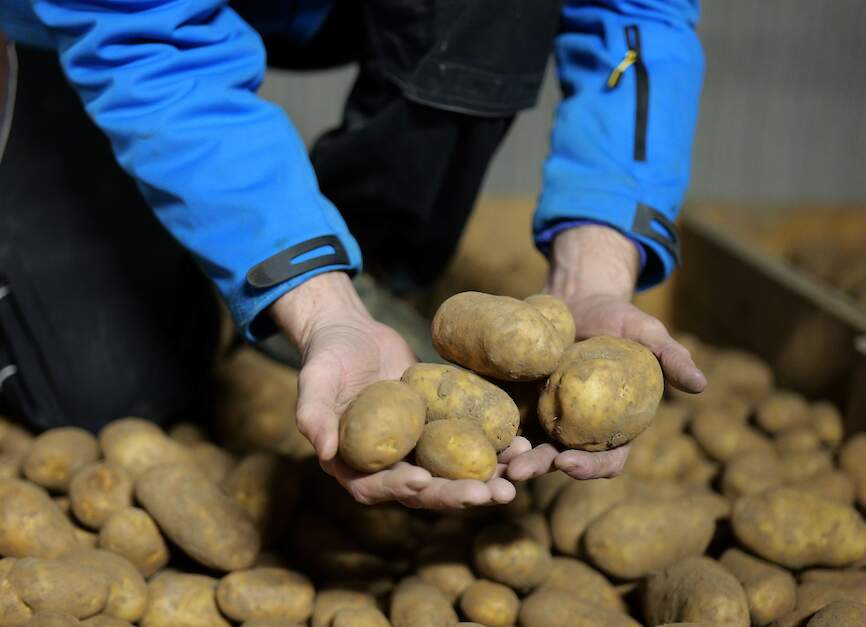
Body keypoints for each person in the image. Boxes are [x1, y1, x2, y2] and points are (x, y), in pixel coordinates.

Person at [0, 0, 706, 509]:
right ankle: (279, 271)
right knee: (105, 391)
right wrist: (310, 297)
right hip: (106, 20)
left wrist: (597, 265)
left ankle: (350, 270)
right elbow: (154, 47)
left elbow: (638, 14)